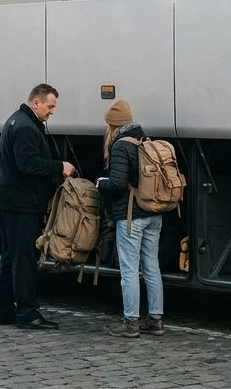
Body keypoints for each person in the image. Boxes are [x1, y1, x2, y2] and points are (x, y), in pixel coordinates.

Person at [0, 83, 76, 330]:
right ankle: (27, 313)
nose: (52, 111)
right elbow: (27, 164)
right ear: (36, 102)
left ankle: (4, 309)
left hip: (9, 201)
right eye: (50, 106)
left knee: (10, 258)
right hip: (20, 204)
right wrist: (59, 166)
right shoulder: (26, 127)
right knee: (23, 260)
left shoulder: (18, 121)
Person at [95, 99, 165, 338]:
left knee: (129, 270)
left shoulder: (120, 146)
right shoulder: (145, 141)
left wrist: (101, 183)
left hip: (131, 217)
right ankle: (156, 319)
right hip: (153, 214)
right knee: (152, 267)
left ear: (112, 126)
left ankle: (131, 322)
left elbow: (117, 183)